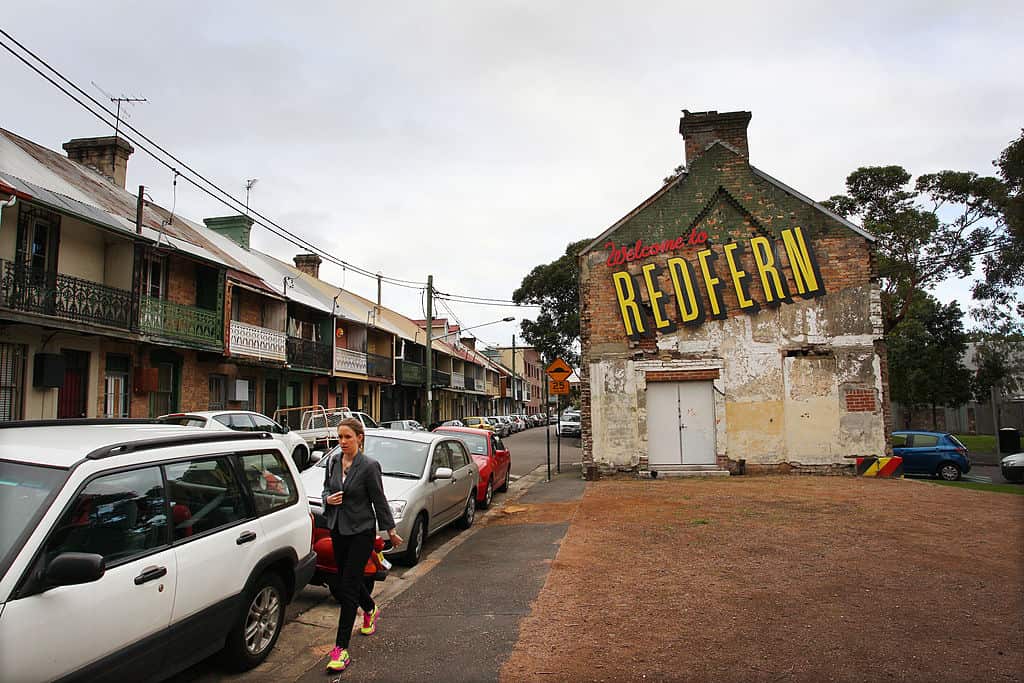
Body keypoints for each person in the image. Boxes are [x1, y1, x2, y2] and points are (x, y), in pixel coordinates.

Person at [322, 417, 403, 672]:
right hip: (338, 528)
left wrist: (391, 530)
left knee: (346, 587)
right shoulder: (334, 461)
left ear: (360, 438)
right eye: (340, 437)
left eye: (347, 437)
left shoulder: (369, 466)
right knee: (348, 579)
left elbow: (379, 500)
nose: (343, 442)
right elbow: (326, 490)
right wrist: (328, 500)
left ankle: (340, 649)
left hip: (361, 531)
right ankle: (370, 607)